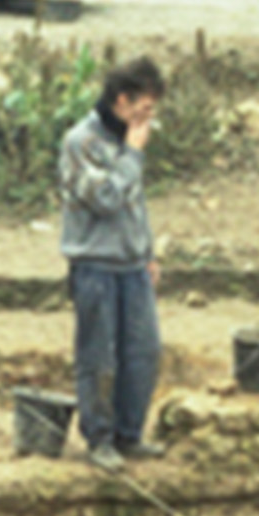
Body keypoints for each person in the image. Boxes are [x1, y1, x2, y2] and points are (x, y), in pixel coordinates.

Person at [59, 58, 168, 473]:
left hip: (132, 266)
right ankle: (99, 439)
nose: (149, 119)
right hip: (95, 267)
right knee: (99, 357)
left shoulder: (126, 142)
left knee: (143, 353)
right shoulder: (81, 143)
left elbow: (135, 205)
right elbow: (106, 199)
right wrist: (134, 155)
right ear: (122, 101)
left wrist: (147, 253)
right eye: (145, 108)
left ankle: (129, 433)